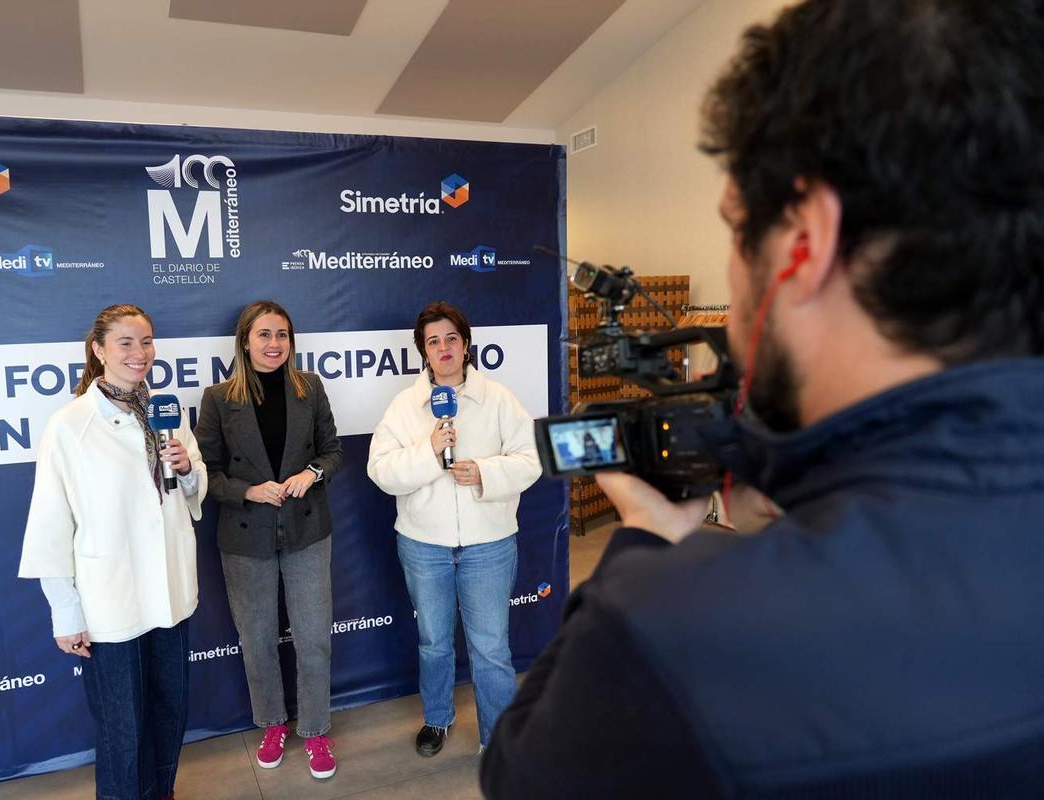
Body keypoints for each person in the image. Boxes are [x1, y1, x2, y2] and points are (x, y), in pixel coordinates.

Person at [481, 0, 1044, 797]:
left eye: (736, 228)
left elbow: (517, 774)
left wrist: (642, 544)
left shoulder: (670, 636)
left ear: (804, 242)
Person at [19, 304, 206, 800]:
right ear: (99, 350)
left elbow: (192, 491)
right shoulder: (70, 425)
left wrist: (188, 468)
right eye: (125, 342)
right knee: (124, 730)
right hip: (111, 601)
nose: (139, 352)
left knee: (169, 713)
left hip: (168, 592)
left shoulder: (167, 412)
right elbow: (50, 524)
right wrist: (65, 610)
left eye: (146, 341)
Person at [368, 301, 542, 757]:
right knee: (434, 643)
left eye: (451, 338)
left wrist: (485, 472)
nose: (443, 348)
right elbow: (381, 471)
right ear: (423, 352)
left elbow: (531, 460)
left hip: (489, 544)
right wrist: (429, 452)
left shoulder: (498, 398)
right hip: (424, 546)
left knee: (491, 647)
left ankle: (497, 738)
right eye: (433, 341)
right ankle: (437, 719)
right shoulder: (405, 407)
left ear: (465, 345)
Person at [194, 300, 343, 780]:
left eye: (282, 334)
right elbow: (206, 474)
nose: (274, 343)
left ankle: (315, 729)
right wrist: (248, 491)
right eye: (264, 334)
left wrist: (312, 472)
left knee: (314, 638)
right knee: (257, 641)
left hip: (307, 531)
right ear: (245, 341)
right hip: (245, 538)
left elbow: (333, 451)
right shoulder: (218, 399)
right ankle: (273, 724)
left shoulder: (309, 387)